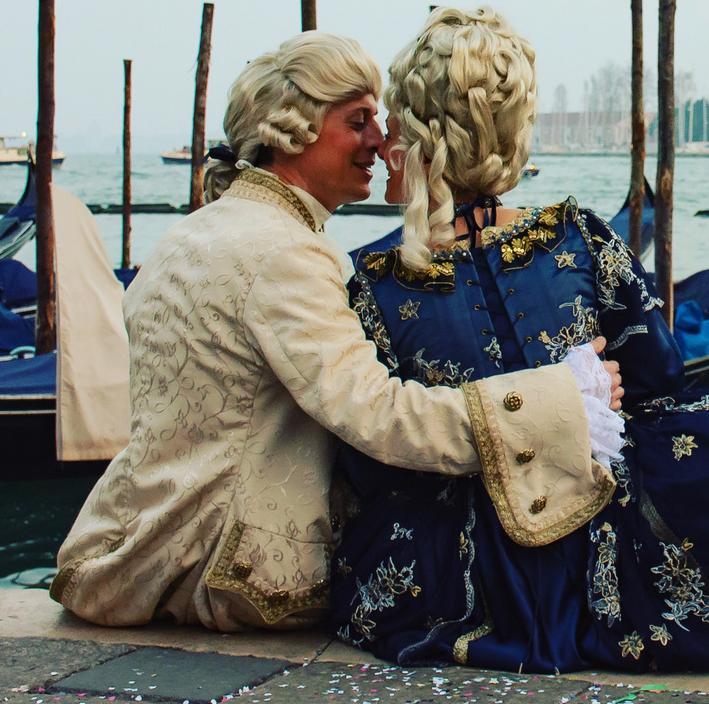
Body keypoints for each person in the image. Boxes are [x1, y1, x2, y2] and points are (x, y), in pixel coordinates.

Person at [331, 8, 709, 673]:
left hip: (457, 562)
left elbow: (373, 457)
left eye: (395, 117)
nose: (386, 134)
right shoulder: (579, 236)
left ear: (421, 133)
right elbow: (659, 376)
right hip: (594, 509)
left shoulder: (371, 281)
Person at [52, 31, 622, 631]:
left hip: (137, 547)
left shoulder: (192, 233)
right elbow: (376, 414)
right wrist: (561, 405)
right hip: (226, 572)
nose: (381, 140)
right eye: (358, 121)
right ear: (293, 132)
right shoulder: (284, 252)